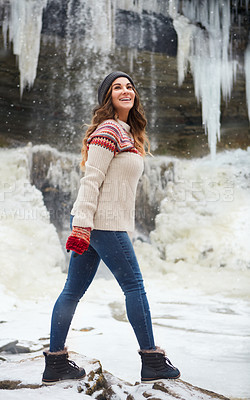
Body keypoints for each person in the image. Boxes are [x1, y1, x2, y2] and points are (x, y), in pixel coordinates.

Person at [42, 71, 180, 385]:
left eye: (129, 86)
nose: (125, 90)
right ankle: (152, 361)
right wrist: (82, 224)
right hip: (103, 225)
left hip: (98, 225)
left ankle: (55, 365)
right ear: (108, 97)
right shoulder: (109, 129)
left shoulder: (127, 132)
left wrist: (84, 225)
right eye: (117, 87)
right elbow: (92, 180)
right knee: (135, 288)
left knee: (72, 292)